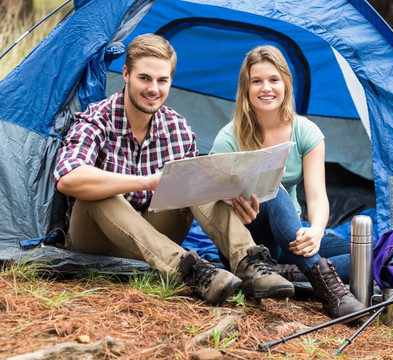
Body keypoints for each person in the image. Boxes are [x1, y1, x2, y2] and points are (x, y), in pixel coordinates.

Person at [53, 34, 295, 305]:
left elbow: (203, 196)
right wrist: (147, 182)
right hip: (98, 240)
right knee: (99, 194)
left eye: (162, 80)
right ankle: (192, 271)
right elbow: (68, 178)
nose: (153, 89)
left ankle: (249, 263)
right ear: (125, 74)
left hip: (157, 234)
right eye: (144, 78)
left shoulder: (178, 128)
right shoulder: (97, 118)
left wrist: (236, 204)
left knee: (198, 178)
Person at [211, 45, 365, 319]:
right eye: (256, 81)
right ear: (246, 88)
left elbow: (316, 196)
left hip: (287, 238)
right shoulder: (228, 138)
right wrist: (238, 211)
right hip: (245, 240)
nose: (265, 88)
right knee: (272, 187)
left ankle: (289, 274)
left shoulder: (305, 132)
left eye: (273, 80)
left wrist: (316, 231)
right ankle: (333, 294)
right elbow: (210, 200)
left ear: (286, 84)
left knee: (369, 253)